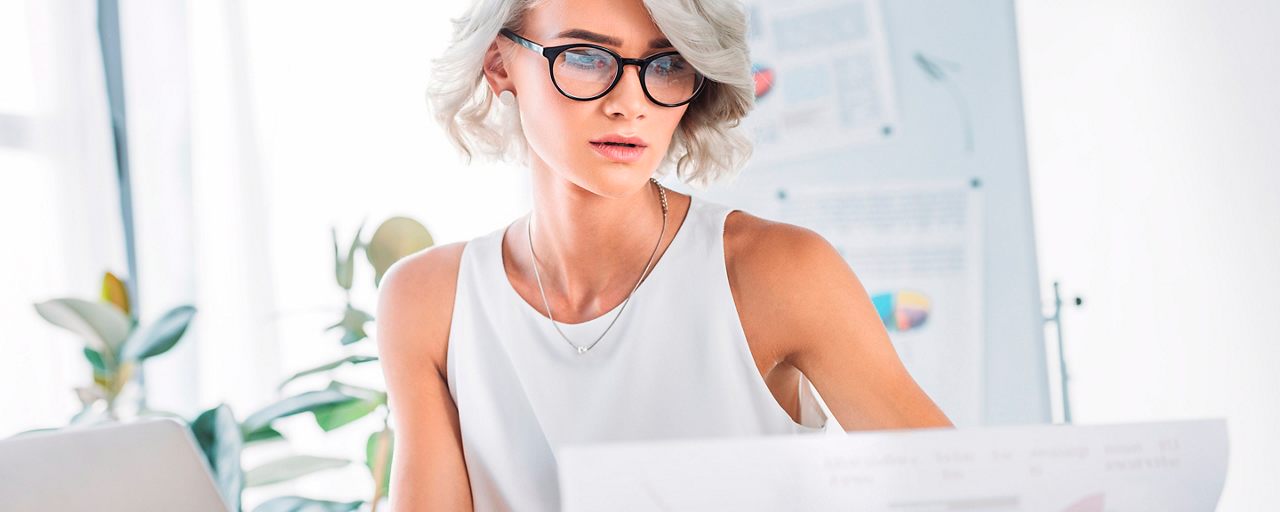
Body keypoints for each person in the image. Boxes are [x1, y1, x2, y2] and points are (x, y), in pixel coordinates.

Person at [376, 0, 952, 510]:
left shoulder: (776, 272)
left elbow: (964, 495)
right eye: (584, 55)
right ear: (501, 64)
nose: (630, 103)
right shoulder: (428, 301)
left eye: (669, 62)